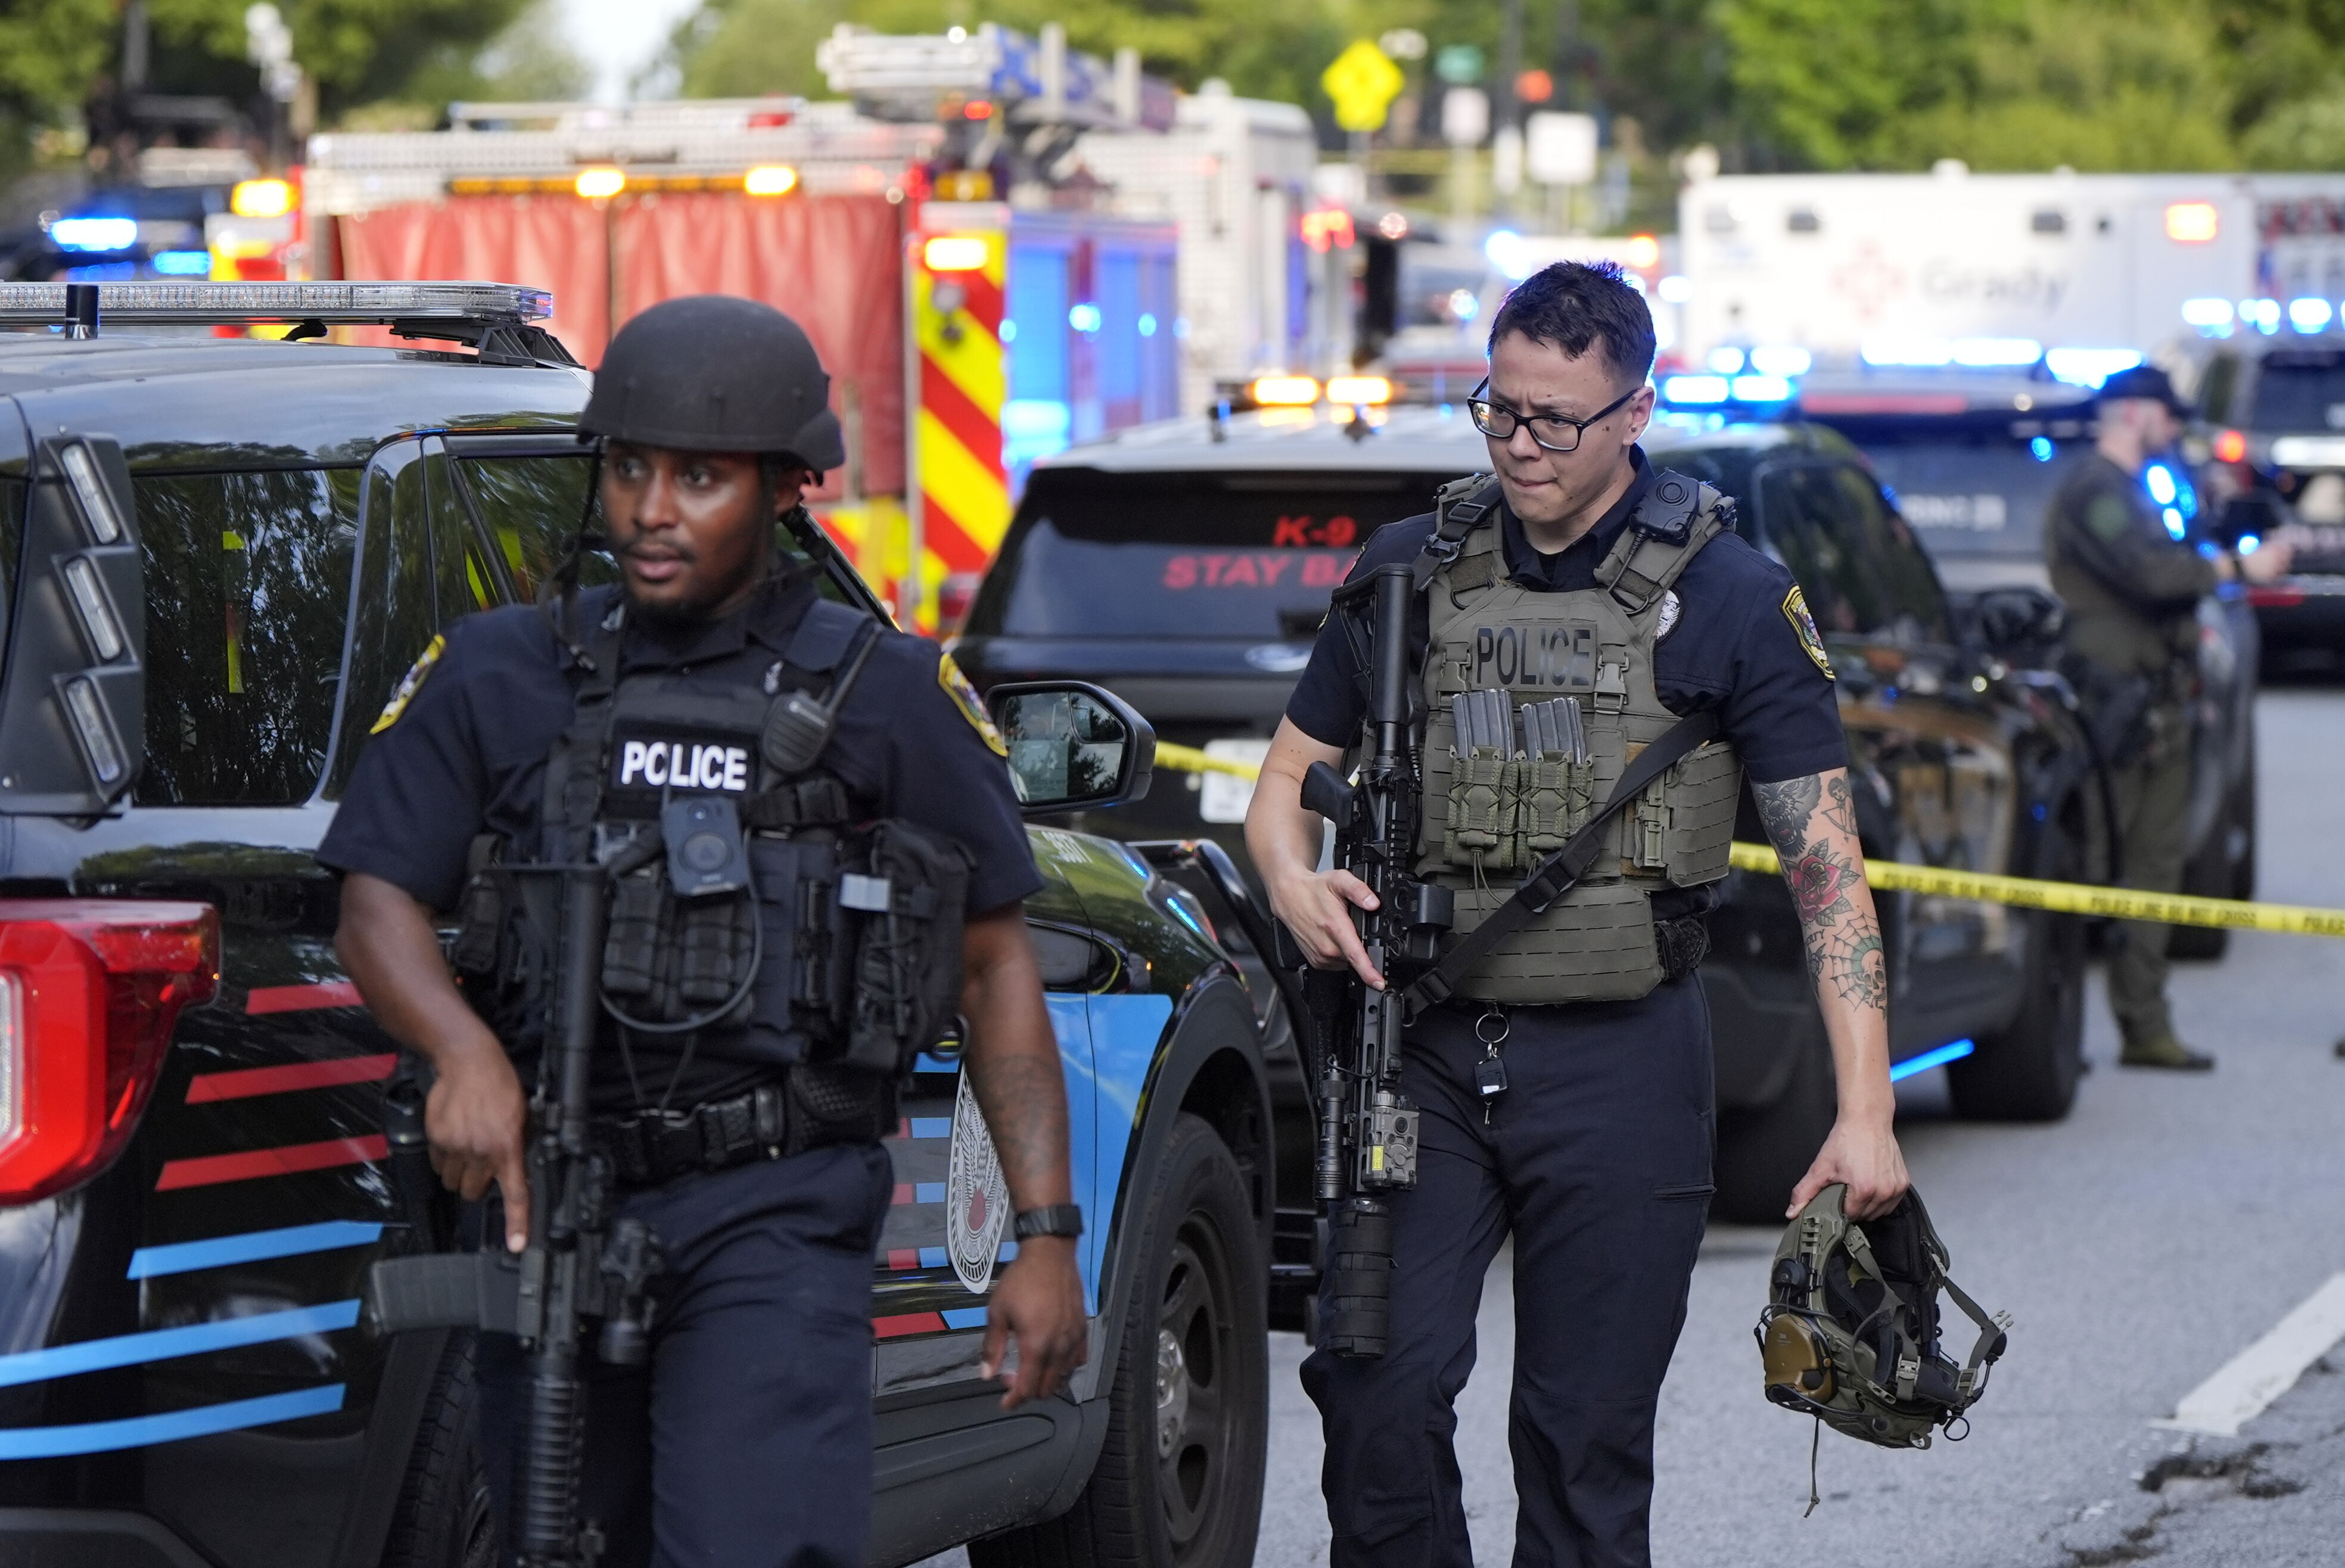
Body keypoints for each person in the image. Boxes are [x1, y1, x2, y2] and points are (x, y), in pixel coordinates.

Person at [321, 295, 1087, 1568]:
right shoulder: (499, 673)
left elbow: (995, 964)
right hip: (551, 1205)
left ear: (789, 488)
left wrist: (1044, 1238)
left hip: (773, 1205)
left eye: (699, 476)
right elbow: (374, 900)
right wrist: (461, 1049)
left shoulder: (882, 692)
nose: (652, 507)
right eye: (628, 466)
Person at [1243, 260, 1909, 1568]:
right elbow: (1280, 783)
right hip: (1419, 1048)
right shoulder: (1408, 568)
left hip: (1621, 1060)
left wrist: (1868, 1112)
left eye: (1557, 418)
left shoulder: (1730, 596)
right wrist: (1289, 872)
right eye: (1501, 408)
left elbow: (1828, 868)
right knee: (1373, 1398)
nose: (1522, 443)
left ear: (1634, 413)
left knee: (1579, 1440)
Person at [2045, 363, 2291, 1071]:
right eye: (2168, 414)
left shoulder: (2143, 488)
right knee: (2095, 865)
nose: (2177, 428)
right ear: (2131, 412)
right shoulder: (2097, 489)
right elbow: (2151, 574)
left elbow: (2173, 558)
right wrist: (2239, 571)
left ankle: (2144, 1023)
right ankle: (2055, 1028)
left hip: (2157, 700)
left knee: (2152, 869)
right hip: (2114, 701)